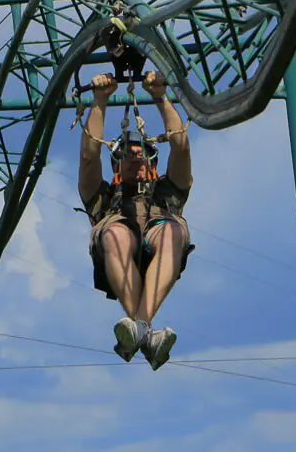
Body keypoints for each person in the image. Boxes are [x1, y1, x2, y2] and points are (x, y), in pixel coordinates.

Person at [78, 70, 194, 371]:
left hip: (161, 241)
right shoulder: (104, 198)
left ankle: (139, 330)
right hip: (117, 242)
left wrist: (160, 96)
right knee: (117, 233)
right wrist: (99, 101)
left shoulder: (167, 191)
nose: (136, 161)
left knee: (169, 231)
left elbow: (180, 144)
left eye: (141, 156)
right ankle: (146, 332)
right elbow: (89, 157)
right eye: (128, 157)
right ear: (117, 166)